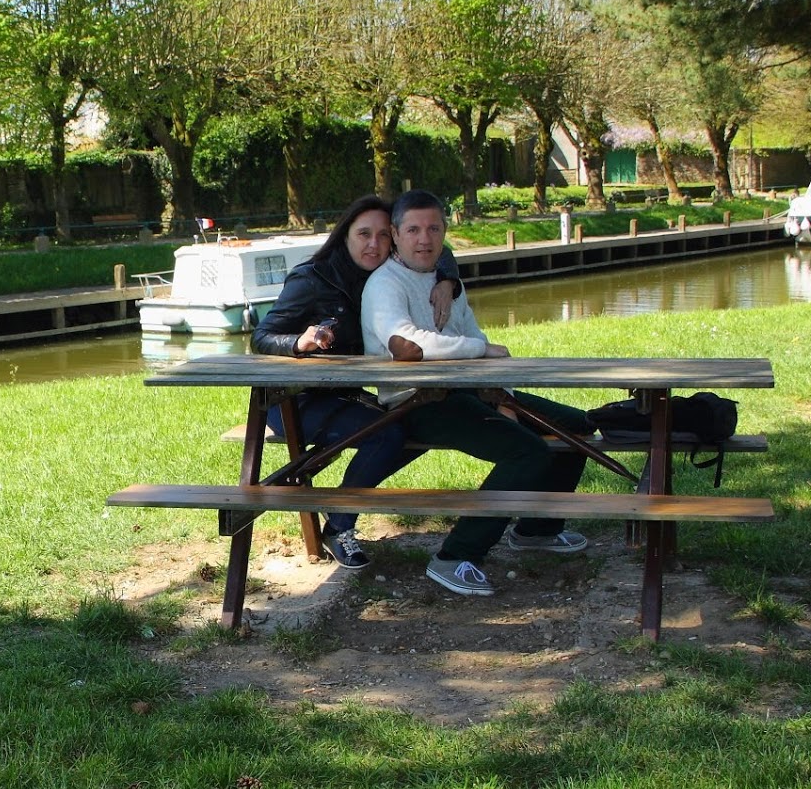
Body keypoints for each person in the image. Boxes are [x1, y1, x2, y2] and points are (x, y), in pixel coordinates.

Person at [361, 189, 591, 598]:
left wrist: (502, 395)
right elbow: (415, 345)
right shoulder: (384, 285)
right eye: (413, 229)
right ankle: (455, 557)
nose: (424, 239)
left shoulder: (445, 281)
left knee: (576, 428)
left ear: (445, 231)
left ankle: (536, 530)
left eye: (433, 228)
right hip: (416, 402)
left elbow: (471, 333)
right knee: (527, 451)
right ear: (395, 234)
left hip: (469, 391)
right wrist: (480, 351)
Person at [250, 194, 462, 568]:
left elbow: (435, 246)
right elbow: (261, 337)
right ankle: (340, 525)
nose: (374, 245)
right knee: (389, 435)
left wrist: (448, 279)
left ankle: (342, 509)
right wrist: (298, 342)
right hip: (296, 402)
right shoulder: (311, 279)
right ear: (344, 235)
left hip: (349, 395)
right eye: (364, 234)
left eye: (383, 236)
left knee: (425, 425)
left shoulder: (384, 277)